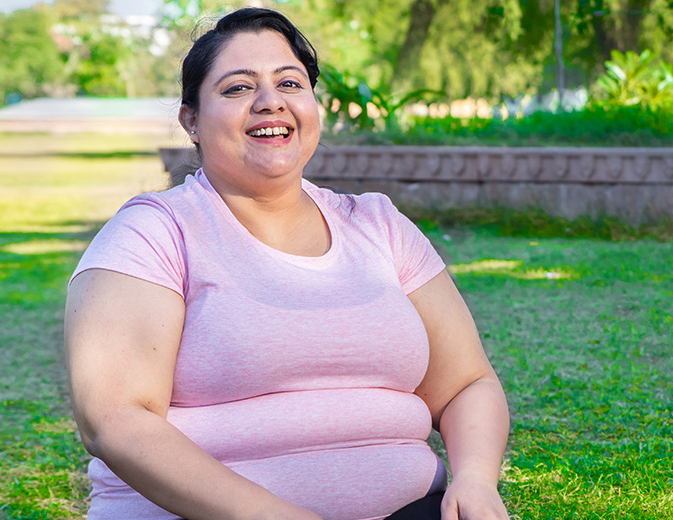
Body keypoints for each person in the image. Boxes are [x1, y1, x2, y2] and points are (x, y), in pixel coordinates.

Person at [65, 8, 510, 520]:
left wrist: (475, 479)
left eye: (290, 83)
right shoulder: (154, 233)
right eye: (237, 89)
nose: (269, 101)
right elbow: (115, 418)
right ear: (191, 120)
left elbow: (465, 384)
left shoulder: (378, 225)